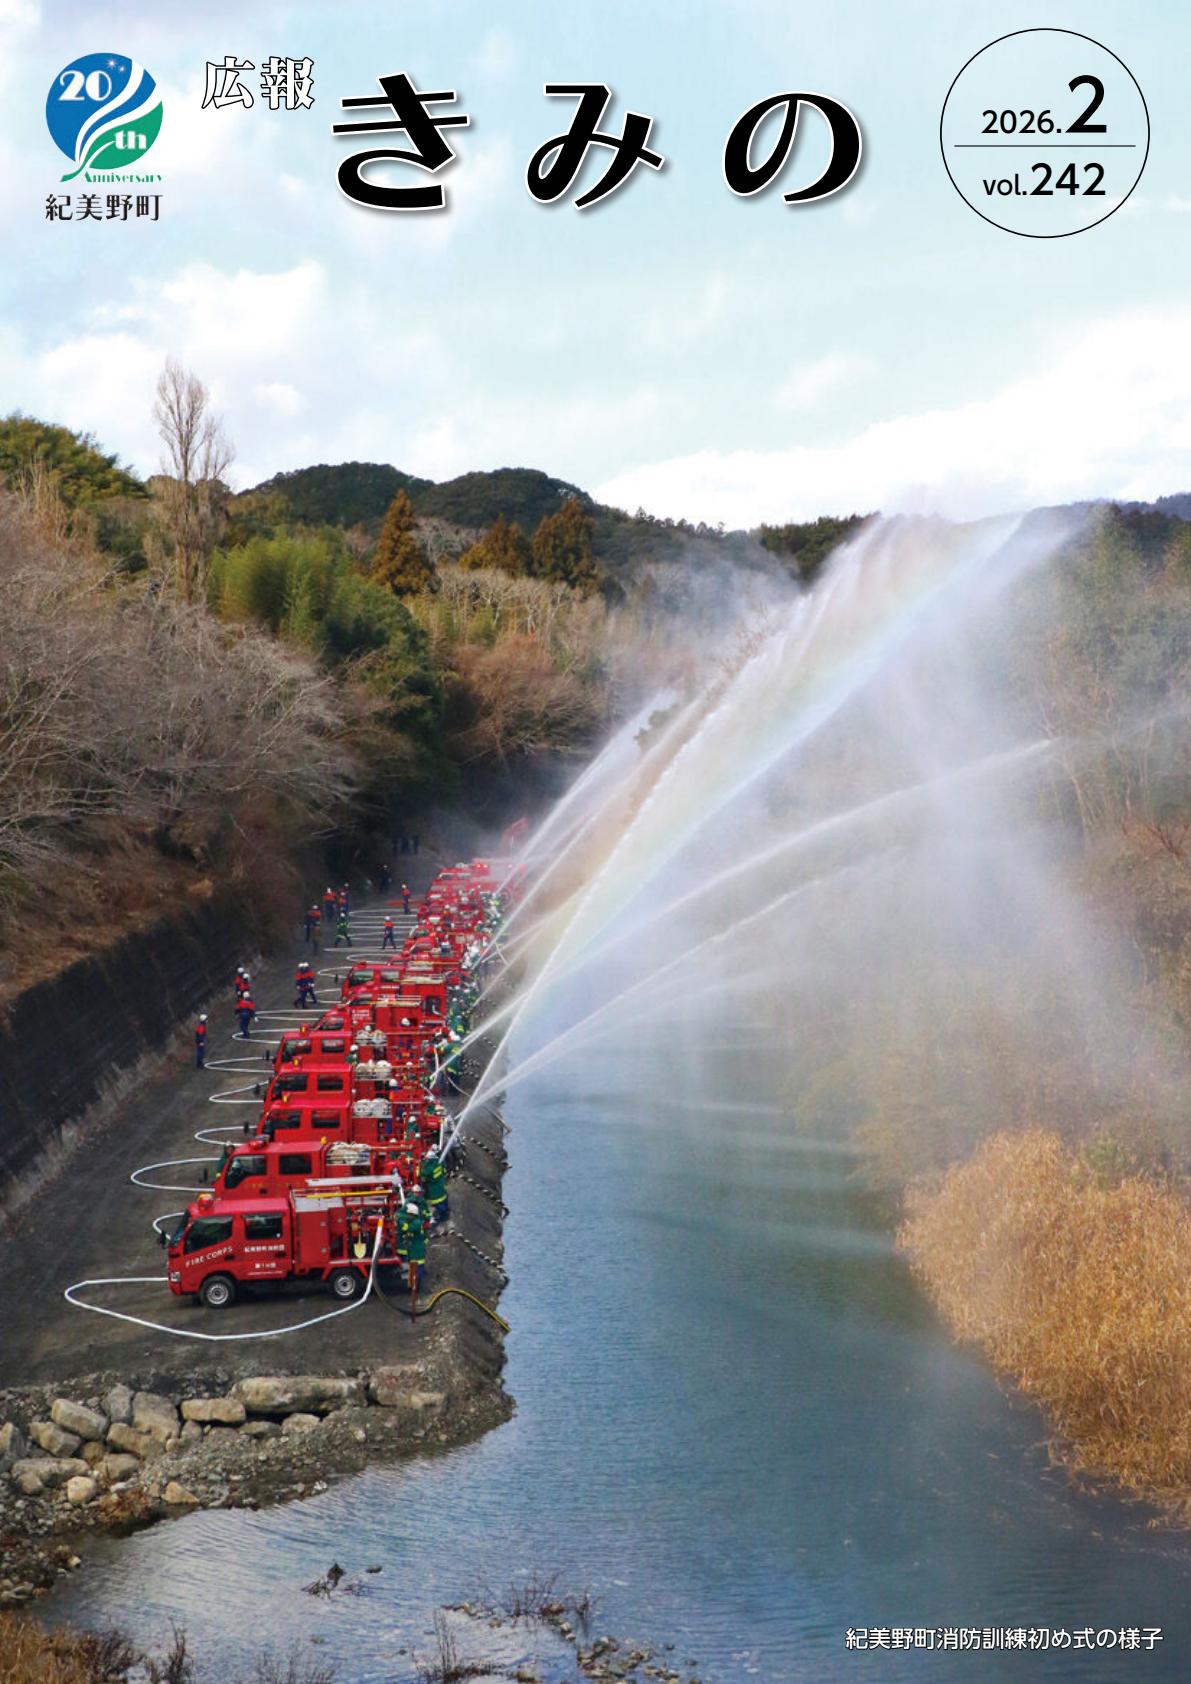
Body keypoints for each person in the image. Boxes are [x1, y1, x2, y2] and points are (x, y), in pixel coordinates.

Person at [398, 1201, 427, 1289]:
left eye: (408, 1214)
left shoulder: (416, 1223)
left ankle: (415, 1286)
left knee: (417, 1268)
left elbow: (406, 1228)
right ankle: (414, 1284)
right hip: (417, 1247)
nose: (407, 1216)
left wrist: (399, 1221)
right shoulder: (416, 1221)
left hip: (416, 1249)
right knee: (416, 1266)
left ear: (412, 1214)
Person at [419, 1150, 449, 1224]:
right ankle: (445, 1211)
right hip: (440, 1186)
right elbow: (444, 1170)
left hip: (434, 1189)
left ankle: (443, 1216)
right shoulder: (438, 1163)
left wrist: (420, 1166)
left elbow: (423, 1173)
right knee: (443, 1200)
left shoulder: (430, 1168)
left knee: (437, 1203)